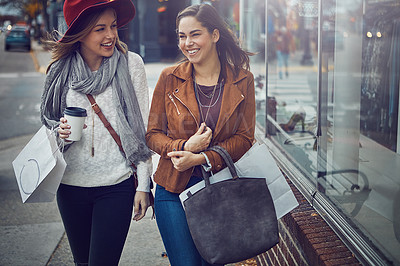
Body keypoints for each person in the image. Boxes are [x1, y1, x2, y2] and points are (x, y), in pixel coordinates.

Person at [40, 0, 153, 265]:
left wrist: (144, 186)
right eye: (100, 29)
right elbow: (48, 124)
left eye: (113, 26)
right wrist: (60, 133)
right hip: (70, 187)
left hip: (116, 184)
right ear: (80, 32)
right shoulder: (59, 71)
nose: (111, 35)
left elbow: (142, 129)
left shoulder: (130, 64)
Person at [146, 4, 255, 266]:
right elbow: (152, 134)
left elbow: (244, 137)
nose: (187, 43)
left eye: (195, 34)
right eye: (182, 36)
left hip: (220, 189)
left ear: (215, 35)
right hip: (172, 188)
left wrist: (201, 157)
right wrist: (184, 145)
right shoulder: (169, 78)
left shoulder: (243, 80)